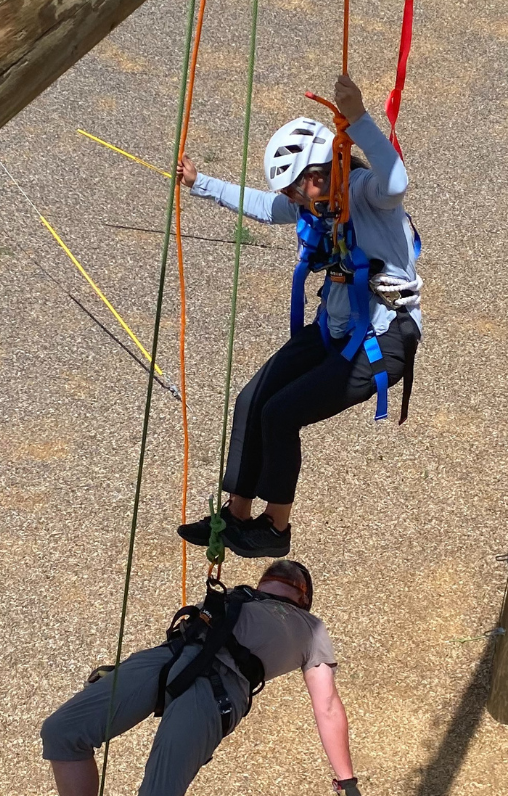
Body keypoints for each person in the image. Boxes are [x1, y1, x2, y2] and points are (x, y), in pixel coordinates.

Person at [175, 71, 421, 560]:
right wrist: (201, 183)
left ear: (319, 173)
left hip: (385, 335)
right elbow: (264, 206)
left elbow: (397, 181)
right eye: (290, 193)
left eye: (295, 189)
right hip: (336, 329)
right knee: (252, 399)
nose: (292, 200)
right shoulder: (315, 206)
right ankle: (237, 513)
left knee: (282, 412)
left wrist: (359, 118)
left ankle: (276, 526)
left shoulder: (365, 193)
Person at [36, 560, 363, 796]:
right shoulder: (237, 596)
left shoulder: (311, 629)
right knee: (61, 732)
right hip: (171, 657)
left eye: (294, 578)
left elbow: (327, 705)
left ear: (304, 599)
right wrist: (124, 673)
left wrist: (345, 780)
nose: (286, 571)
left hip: (220, 685)